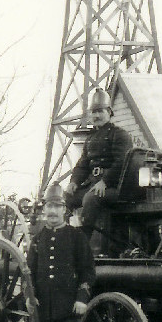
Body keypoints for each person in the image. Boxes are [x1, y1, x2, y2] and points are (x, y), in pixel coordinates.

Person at [25, 184, 94, 322]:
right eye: (49, 206)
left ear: (64, 210)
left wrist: (82, 299)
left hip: (69, 305)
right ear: (44, 210)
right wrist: (30, 295)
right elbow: (29, 273)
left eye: (57, 206)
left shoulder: (77, 237)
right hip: (44, 305)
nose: (52, 211)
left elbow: (87, 271)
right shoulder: (37, 240)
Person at [64, 88, 134, 252]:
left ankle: (81, 246)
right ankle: (65, 239)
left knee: (90, 199)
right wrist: (74, 182)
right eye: (93, 112)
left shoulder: (120, 135)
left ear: (109, 112)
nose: (96, 116)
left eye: (100, 111)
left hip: (115, 188)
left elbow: (122, 162)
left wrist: (105, 181)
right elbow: (82, 165)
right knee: (65, 197)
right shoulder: (90, 138)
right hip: (94, 186)